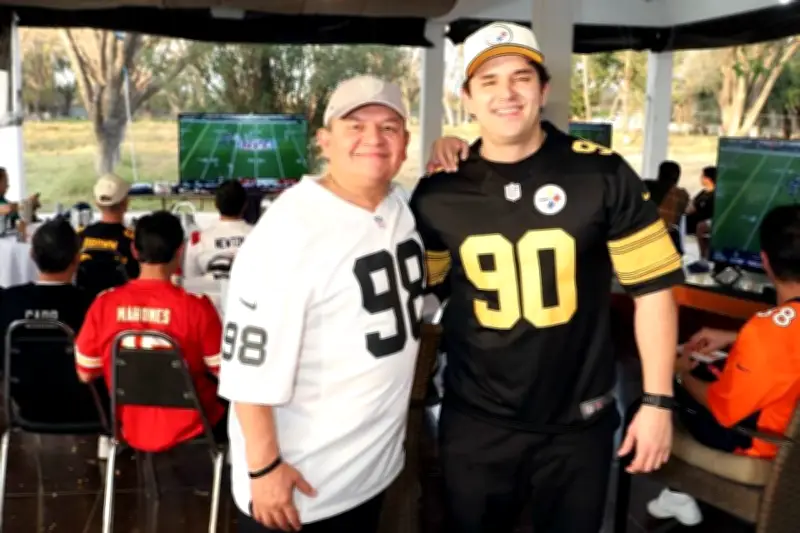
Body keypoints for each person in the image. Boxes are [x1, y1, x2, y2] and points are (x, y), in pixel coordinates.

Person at [411, 22, 684, 533]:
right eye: (488, 81)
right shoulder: (437, 193)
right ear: (467, 97)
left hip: (578, 423)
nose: (507, 93)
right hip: (476, 420)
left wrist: (656, 402)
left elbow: (653, 294)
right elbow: (422, 289)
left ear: (544, 89)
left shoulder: (603, 175)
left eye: (520, 77)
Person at [218, 75, 423, 533]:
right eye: (356, 126)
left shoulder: (399, 206)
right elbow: (247, 370)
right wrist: (264, 468)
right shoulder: (287, 232)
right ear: (325, 141)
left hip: (371, 470)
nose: (374, 138)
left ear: (405, 144)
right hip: (302, 488)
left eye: (389, 127)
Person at [648, 204, 800, 526]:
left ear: (766, 262)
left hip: (768, 446)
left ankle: (677, 490)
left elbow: (723, 409)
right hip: (789, 431)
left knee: (669, 387)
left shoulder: (765, 333)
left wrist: (679, 374)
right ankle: (677, 495)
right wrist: (736, 336)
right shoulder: (766, 331)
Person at [74, 211, 226, 452]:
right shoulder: (197, 307)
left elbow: (85, 372)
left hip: (127, 423)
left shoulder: (104, 303)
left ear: (134, 251)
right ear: (180, 251)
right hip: (194, 422)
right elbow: (224, 373)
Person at [0, 219, 102, 425]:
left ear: (31, 255)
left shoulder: (7, 301)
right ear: (77, 258)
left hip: (25, 409)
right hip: (90, 409)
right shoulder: (95, 305)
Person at [76, 173, 139, 298]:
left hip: (85, 304)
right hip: (121, 306)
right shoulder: (134, 240)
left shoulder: (80, 236)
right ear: (125, 203)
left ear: (97, 204)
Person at [184, 180, 252, 279]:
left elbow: (191, 282)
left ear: (216, 204)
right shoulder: (260, 236)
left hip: (210, 292)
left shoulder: (199, 240)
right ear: (245, 205)